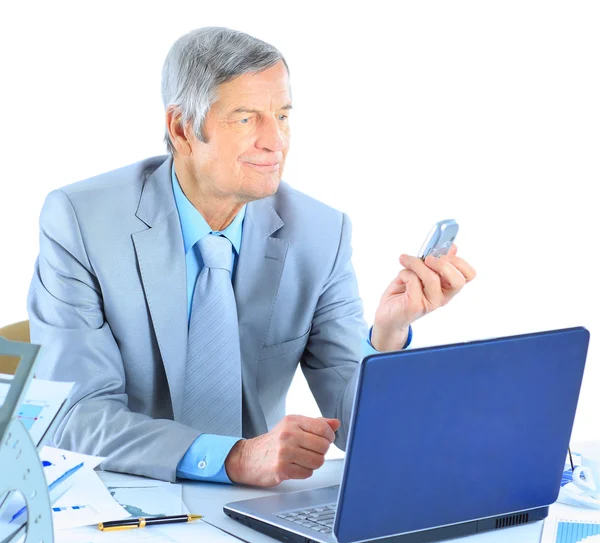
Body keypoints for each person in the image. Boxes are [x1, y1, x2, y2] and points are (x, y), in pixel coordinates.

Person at [28, 27, 476, 486]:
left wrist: (387, 331)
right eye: (245, 118)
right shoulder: (82, 222)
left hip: (254, 511)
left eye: (281, 115)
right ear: (182, 129)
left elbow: (356, 422)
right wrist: (234, 457)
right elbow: (73, 417)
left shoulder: (321, 233)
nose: (275, 140)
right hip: (123, 497)